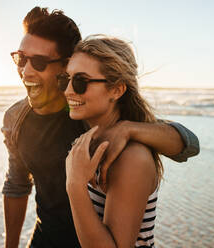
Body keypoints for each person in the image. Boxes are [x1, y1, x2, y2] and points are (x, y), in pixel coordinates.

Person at [2, 6, 199, 248]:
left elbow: (189, 145)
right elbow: (17, 184)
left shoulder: (88, 110)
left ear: (65, 65)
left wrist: (127, 129)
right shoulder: (16, 119)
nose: (25, 71)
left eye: (40, 62)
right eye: (21, 58)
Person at [62, 35, 166, 248]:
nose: (68, 90)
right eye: (66, 79)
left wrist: (74, 185)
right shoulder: (94, 139)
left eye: (81, 82)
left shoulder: (132, 157)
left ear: (117, 90)